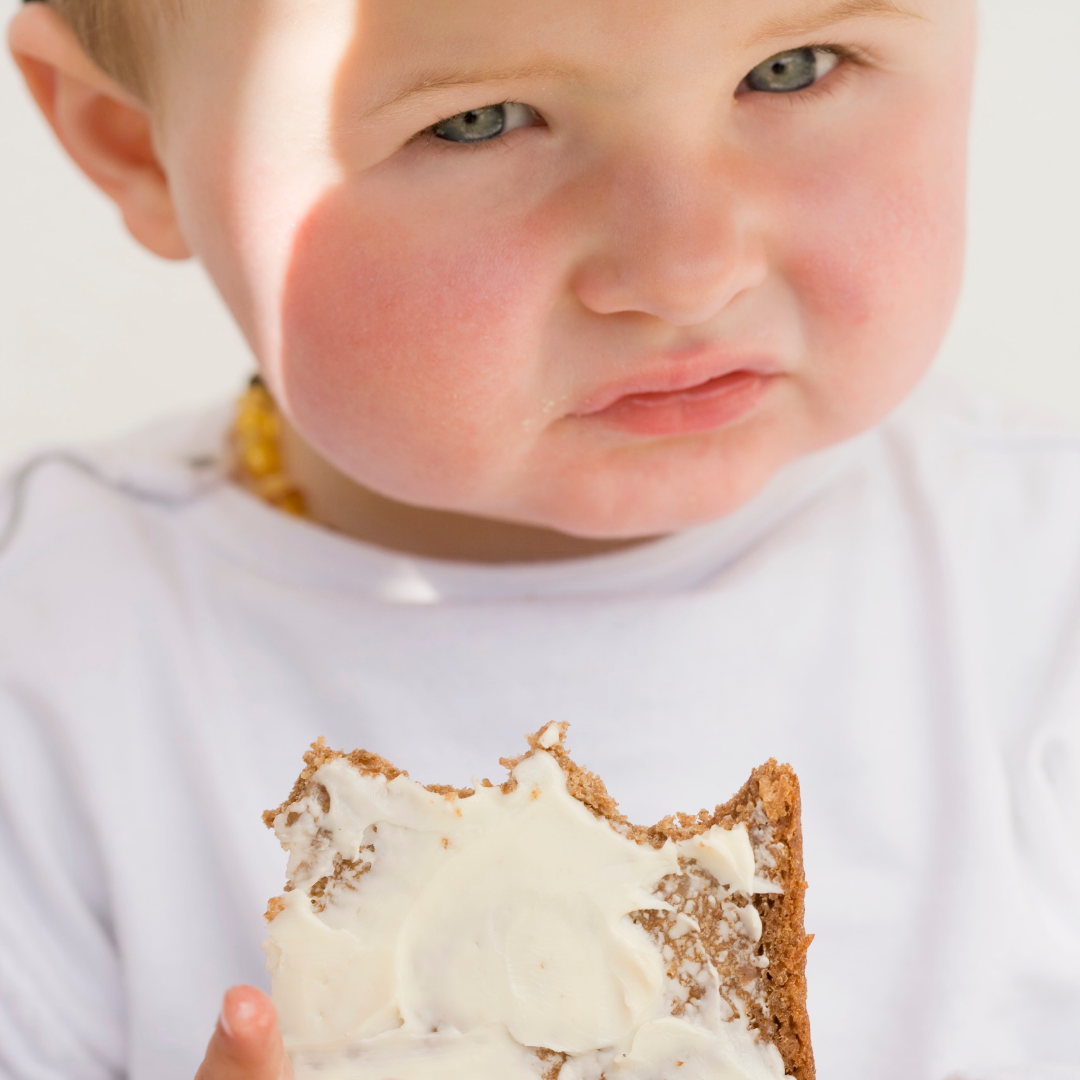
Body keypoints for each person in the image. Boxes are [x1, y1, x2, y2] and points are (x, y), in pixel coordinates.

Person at [1, 0, 1077, 1077]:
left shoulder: (1041, 585)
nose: (687, 269)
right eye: (481, 120)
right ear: (132, 141)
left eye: (794, 67)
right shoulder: (47, 674)